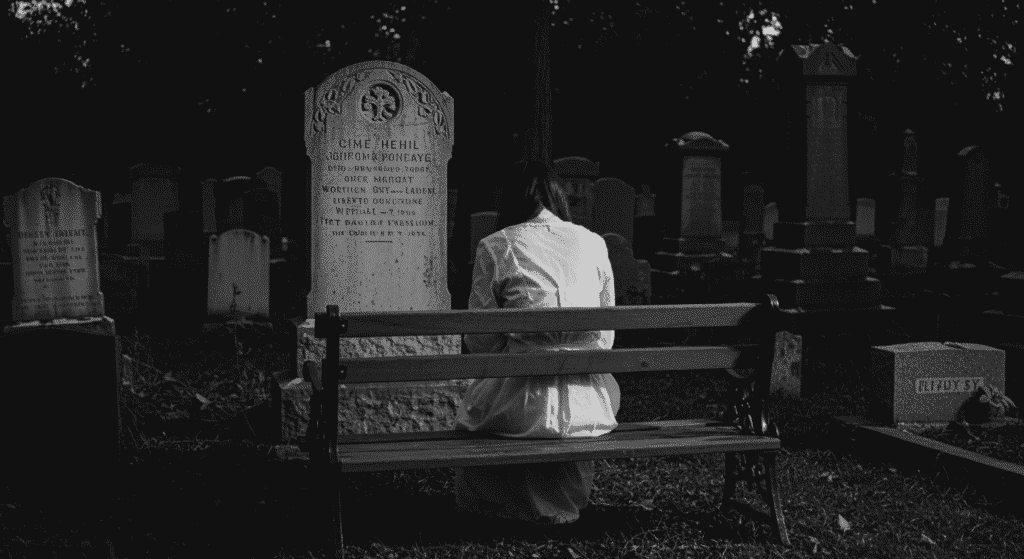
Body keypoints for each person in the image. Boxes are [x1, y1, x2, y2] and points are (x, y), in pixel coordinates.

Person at [453, 160, 621, 526]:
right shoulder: (593, 243)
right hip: (586, 407)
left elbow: (480, 342)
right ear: (559, 198)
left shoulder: (495, 246)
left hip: (520, 408)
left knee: (488, 400)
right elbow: (604, 338)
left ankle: (504, 505)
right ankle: (555, 502)